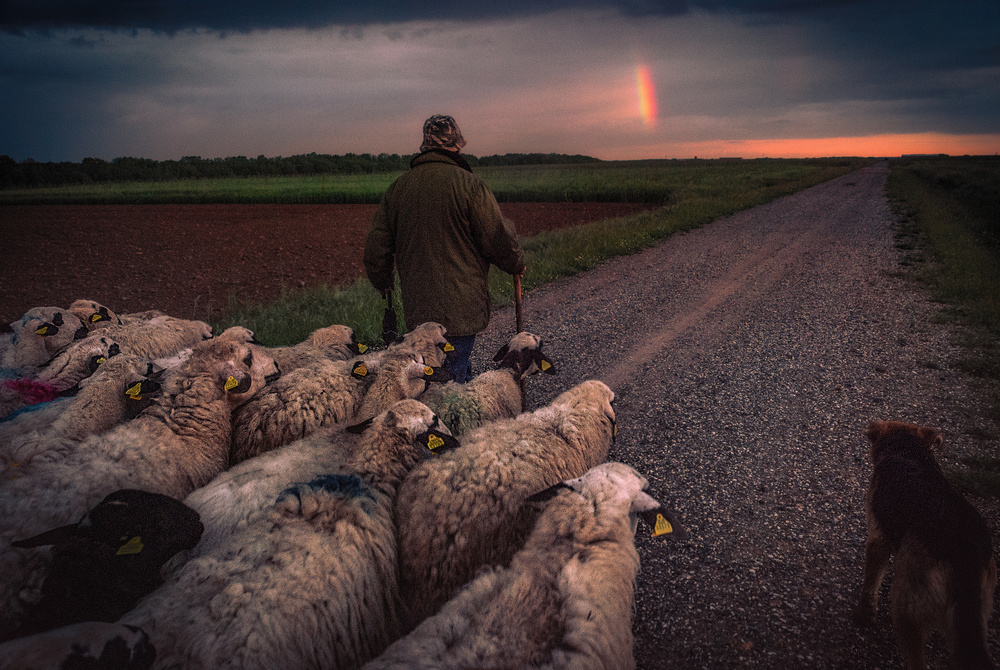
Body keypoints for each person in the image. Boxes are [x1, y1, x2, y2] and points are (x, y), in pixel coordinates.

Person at [363, 114, 525, 383]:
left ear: (425, 147)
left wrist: (382, 281)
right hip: (461, 307)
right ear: (456, 146)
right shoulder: (470, 185)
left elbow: (376, 248)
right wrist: (516, 263)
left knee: (427, 369)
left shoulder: (398, 189)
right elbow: (496, 237)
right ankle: (455, 418)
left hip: (419, 308)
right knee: (453, 374)